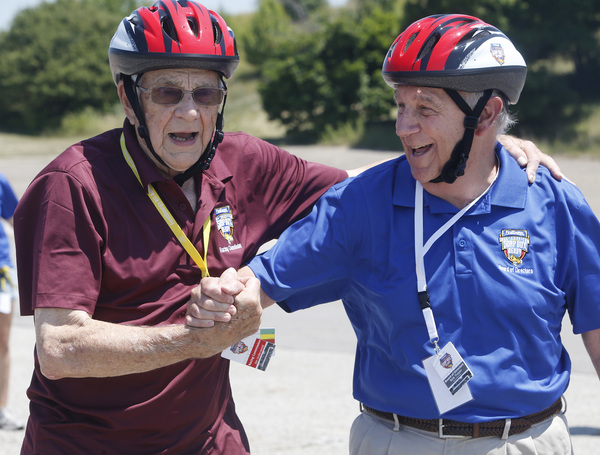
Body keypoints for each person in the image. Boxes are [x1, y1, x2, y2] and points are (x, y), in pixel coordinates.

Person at [13, 2, 557, 452]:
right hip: (87, 443)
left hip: (208, 439)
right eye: (166, 92)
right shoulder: (74, 185)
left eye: (206, 93)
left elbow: (364, 187)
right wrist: (191, 341)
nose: (189, 113)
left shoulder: (243, 161)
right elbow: (61, 348)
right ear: (128, 99)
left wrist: (482, 145)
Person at [188, 14, 600, 455]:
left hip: (526, 442)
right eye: (401, 107)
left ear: (486, 115)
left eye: (425, 109)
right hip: (398, 440)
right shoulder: (360, 204)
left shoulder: (554, 203)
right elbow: (261, 284)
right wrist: (226, 296)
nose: (403, 127)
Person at [0, 172, 22, 431]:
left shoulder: (0, 181)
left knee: (2, 342)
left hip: (1, 273)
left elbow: (19, 221)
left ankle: (1, 410)